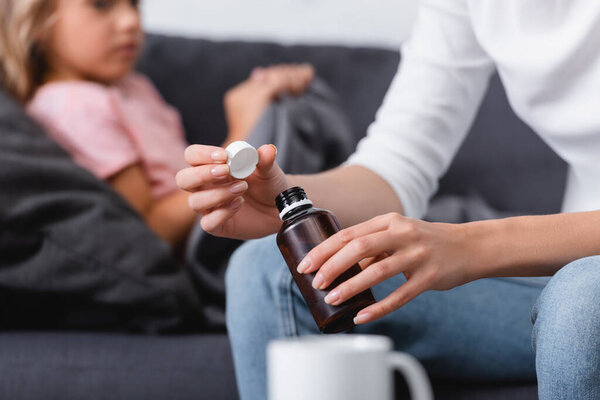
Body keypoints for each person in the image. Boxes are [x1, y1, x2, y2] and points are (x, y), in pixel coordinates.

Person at [176, 0, 600, 399]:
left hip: (580, 288)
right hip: (552, 274)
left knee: (583, 302)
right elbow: (398, 166)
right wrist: (286, 200)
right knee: (270, 271)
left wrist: (470, 246)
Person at [0, 0, 314, 255]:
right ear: (39, 22)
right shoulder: (72, 105)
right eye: (101, 5)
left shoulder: (131, 85)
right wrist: (240, 133)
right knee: (276, 119)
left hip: (219, 217)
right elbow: (151, 229)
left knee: (285, 108)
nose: (130, 22)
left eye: (134, 4)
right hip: (204, 245)